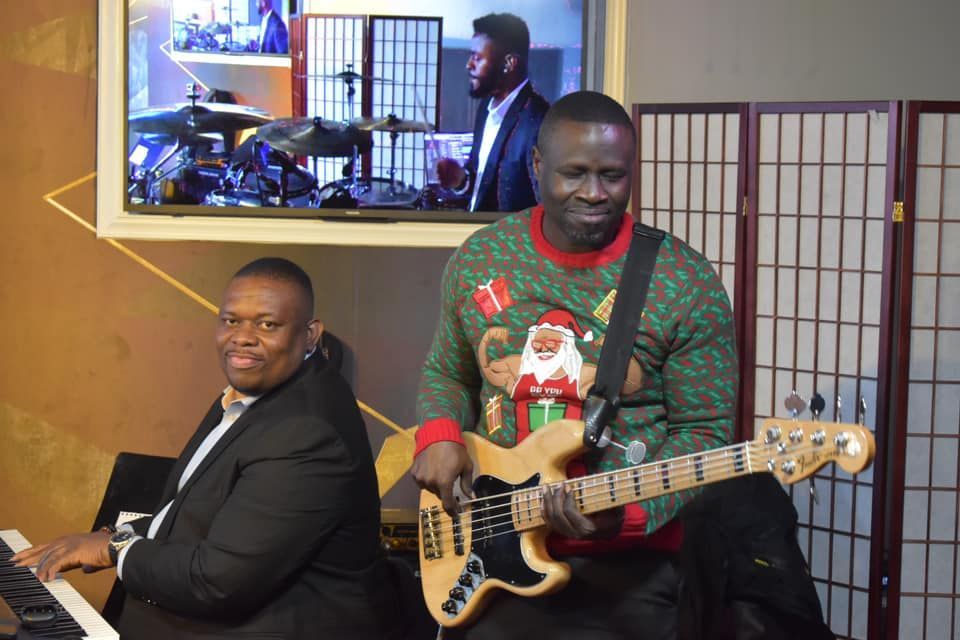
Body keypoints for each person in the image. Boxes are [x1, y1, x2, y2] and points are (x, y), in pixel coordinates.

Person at [411, 91, 739, 639]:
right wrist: (440, 434)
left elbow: (705, 431)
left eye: (613, 175)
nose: (595, 193)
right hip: (487, 548)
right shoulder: (480, 257)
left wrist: (625, 512)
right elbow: (449, 371)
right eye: (575, 173)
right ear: (536, 166)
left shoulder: (683, 281)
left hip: (627, 575)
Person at [13, 258, 396, 640]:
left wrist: (114, 549)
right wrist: (115, 534)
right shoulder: (250, 393)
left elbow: (218, 583)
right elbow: (200, 515)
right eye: (231, 321)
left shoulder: (307, 432)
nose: (242, 337)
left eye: (267, 324)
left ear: (310, 334)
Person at [435, 13, 549, 213]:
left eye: (477, 57)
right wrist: (460, 180)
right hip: (480, 238)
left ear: (509, 64)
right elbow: (482, 186)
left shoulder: (539, 121)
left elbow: (546, 208)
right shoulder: (486, 108)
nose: (469, 64)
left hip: (509, 242)